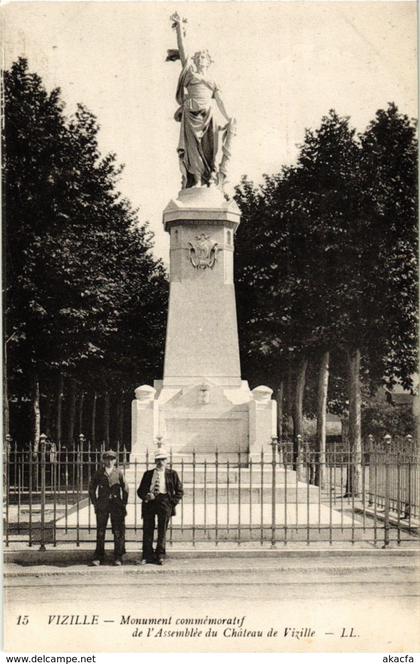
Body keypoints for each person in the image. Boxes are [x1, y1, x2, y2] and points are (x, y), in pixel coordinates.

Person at [170, 12, 233, 189]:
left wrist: (229, 118)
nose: (199, 59)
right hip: (191, 114)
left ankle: (210, 179)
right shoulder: (190, 73)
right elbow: (183, 51)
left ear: (209, 62)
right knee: (193, 149)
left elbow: (220, 101)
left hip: (209, 115)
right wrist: (180, 27)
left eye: (203, 57)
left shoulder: (213, 81)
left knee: (210, 149)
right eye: (197, 57)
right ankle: (197, 180)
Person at [137, 448, 183, 565]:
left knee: (162, 530)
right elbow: (140, 491)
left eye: (162, 459)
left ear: (167, 461)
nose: (160, 462)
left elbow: (179, 491)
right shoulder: (148, 474)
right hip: (150, 503)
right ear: (154, 461)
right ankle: (147, 555)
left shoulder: (172, 474)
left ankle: (160, 555)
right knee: (148, 529)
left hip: (164, 501)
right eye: (158, 459)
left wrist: (171, 503)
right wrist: (146, 496)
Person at [88, 449, 129, 566]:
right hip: (102, 505)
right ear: (103, 460)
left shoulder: (119, 473)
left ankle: (118, 556)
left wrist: (123, 504)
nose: (109, 462)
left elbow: (125, 488)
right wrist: (95, 502)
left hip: (116, 506)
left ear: (115, 461)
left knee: (118, 531)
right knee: (101, 531)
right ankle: (99, 556)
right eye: (107, 459)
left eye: (112, 459)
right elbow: (91, 488)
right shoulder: (99, 473)